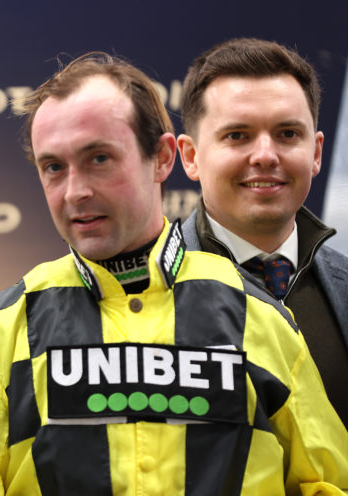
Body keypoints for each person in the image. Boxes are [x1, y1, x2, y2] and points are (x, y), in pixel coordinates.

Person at [0, 52, 348, 494]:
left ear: (163, 158)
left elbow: (327, 485)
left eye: (99, 159)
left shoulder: (262, 319)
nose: (75, 191)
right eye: (54, 167)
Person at [177, 37, 348, 425]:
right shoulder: (134, 296)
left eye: (288, 134)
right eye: (237, 135)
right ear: (191, 157)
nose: (266, 155)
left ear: (316, 153)